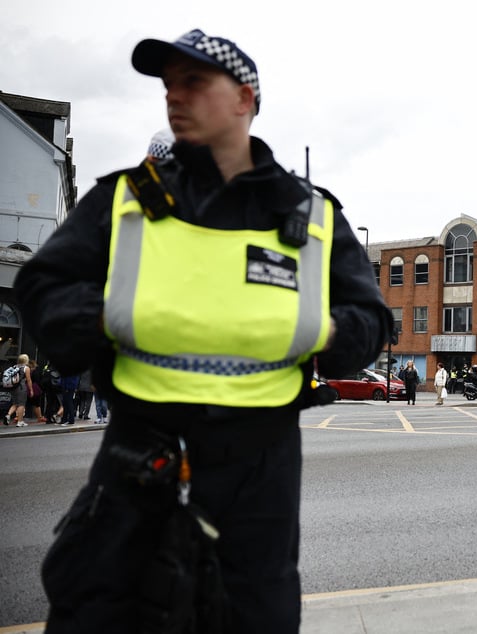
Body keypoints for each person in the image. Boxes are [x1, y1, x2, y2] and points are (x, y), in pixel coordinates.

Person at [14, 28, 391, 633]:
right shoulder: (124, 200)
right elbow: (41, 291)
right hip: (137, 459)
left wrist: (306, 328)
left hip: (257, 474)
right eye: (168, 85)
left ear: (245, 98)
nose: (174, 96)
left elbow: (371, 326)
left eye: (194, 82)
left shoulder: (311, 216)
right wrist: (117, 316)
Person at [4, 354, 33, 427]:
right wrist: (31, 390)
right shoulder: (26, 368)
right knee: (21, 404)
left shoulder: (14, 367)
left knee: (15, 403)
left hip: (13, 387)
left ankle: (8, 415)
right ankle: (20, 421)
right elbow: (29, 380)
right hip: (21, 388)